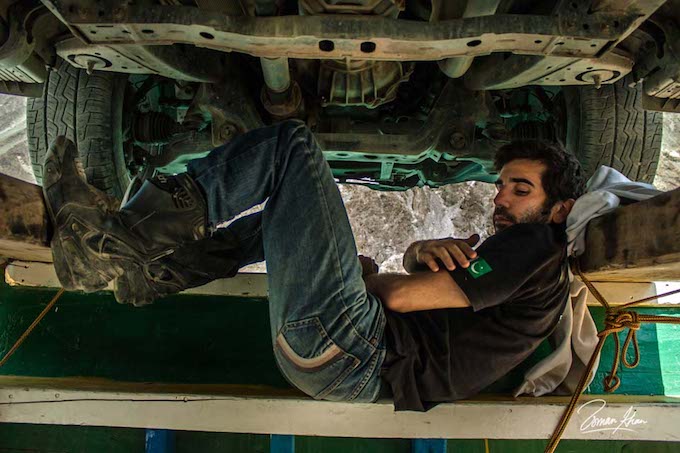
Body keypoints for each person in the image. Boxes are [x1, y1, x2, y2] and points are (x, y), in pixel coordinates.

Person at [42, 120, 584, 410]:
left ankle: (116, 243)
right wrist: (417, 255)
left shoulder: (539, 243)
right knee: (294, 212)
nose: (501, 201)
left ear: (559, 208)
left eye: (521, 189)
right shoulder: (524, 262)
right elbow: (430, 292)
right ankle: (151, 274)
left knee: (291, 146)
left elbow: (398, 298)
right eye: (501, 187)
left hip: (352, 349)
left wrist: (373, 279)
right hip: (332, 365)